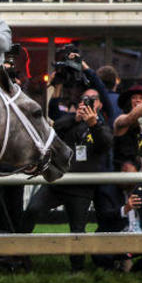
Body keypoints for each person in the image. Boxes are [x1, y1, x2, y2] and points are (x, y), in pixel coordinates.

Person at [25, 87, 113, 271]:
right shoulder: (69, 122)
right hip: (57, 182)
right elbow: (54, 128)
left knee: (77, 230)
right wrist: (75, 118)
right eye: (84, 99)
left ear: (100, 104)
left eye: (92, 100)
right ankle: (19, 257)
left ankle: (77, 270)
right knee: (32, 210)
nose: (87, 103)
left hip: (81, 187)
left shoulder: (102, 124)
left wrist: (93, 124)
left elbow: (105, 143)